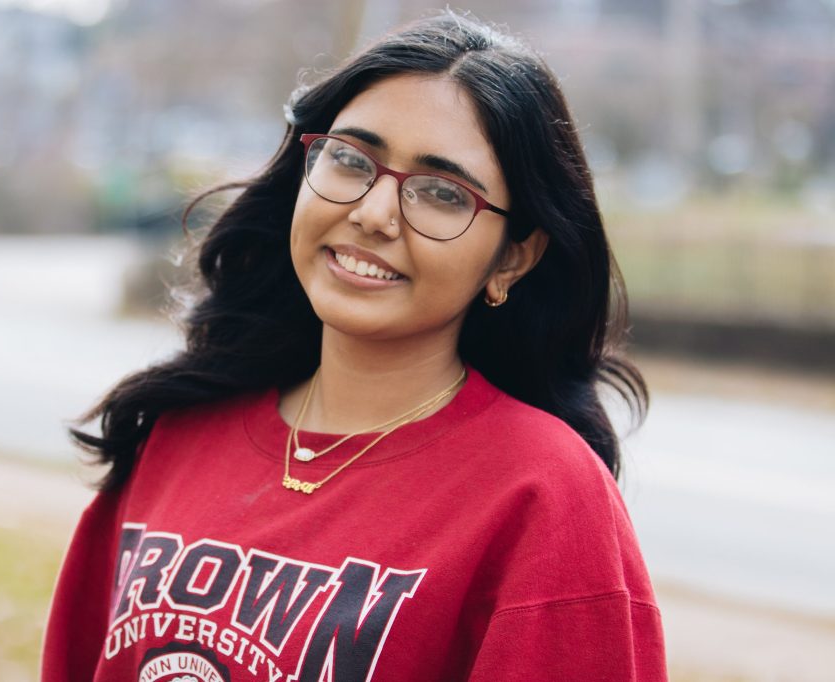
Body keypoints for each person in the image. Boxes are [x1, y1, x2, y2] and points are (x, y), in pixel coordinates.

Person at [41, 10, 667, 682]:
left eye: (441, 193)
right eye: (349, 158)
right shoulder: (174, 435)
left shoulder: (545, 499)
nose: (372, 213)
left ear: (512, 259)